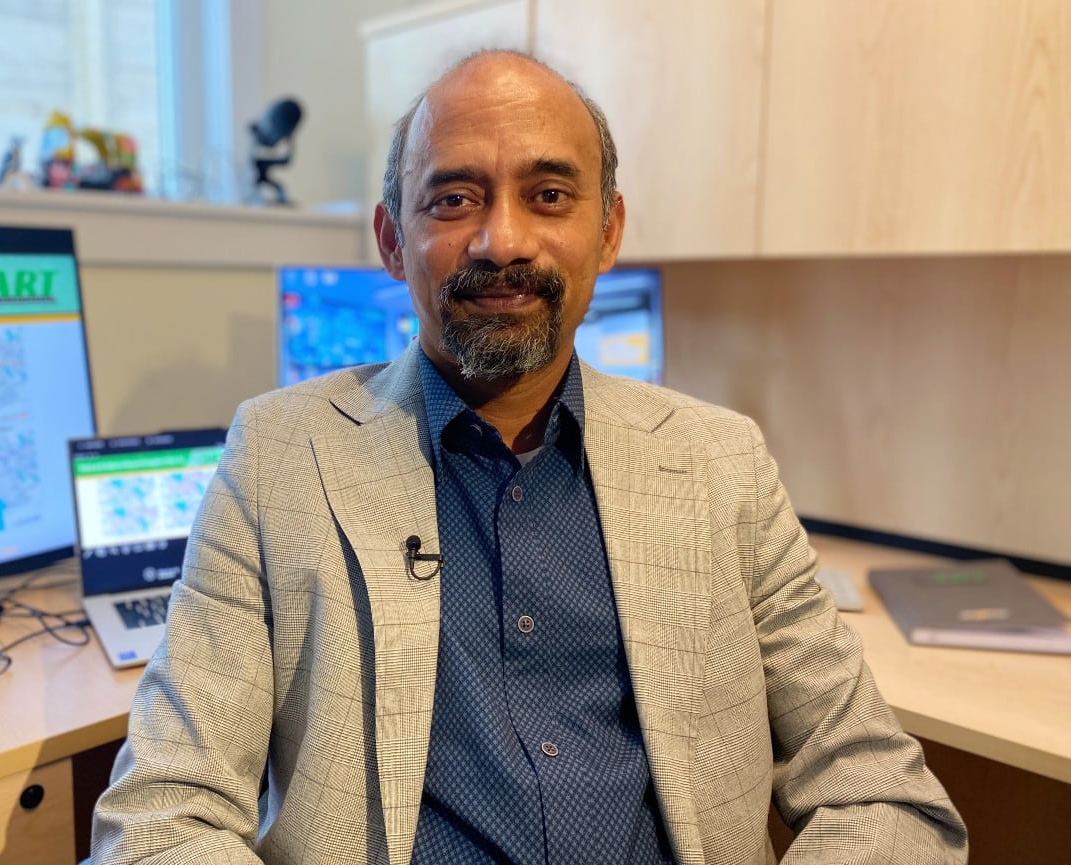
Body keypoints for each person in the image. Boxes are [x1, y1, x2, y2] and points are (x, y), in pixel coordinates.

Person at [92, 50, 967, 864]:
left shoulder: (721, 463)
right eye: (453, 198)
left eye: (549, 195)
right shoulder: (279, 455)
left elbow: (884, 797)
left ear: (608, 232)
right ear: (392, 240)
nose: (502, 240)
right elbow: (162, 817)